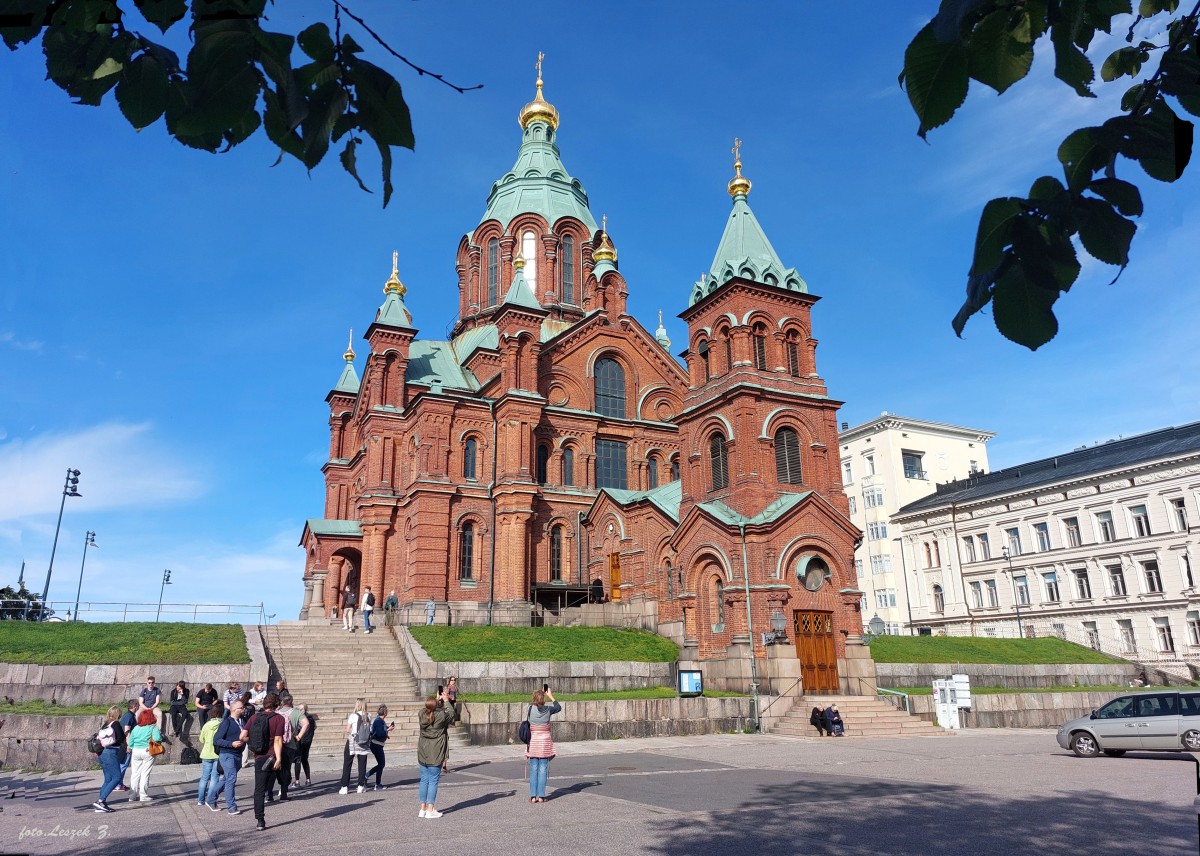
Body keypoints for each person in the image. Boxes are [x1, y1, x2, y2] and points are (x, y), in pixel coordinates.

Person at [244, 692, 285, 832]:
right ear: (277, 705)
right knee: (281, 777)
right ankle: (281, 792)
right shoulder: (279, 719)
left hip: (259, 757)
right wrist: (279, 758)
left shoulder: (255, 717)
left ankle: (260, 820)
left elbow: (243, 736)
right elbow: (278, 740)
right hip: (272, 756)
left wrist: (253, 740)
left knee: (259, 789)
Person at [417, 688, 454, 818]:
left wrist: (436, 701)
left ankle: (422, 809)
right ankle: (430, 809)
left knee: (424, 780)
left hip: (423, 750)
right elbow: (451, 713)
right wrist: (445, 700)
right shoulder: (441, 716)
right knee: (433, 780)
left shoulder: (422, 714)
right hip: (435, 751)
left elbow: (426, 709)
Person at [525, 686, 562, 803]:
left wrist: (541, 694)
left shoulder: (530, 709)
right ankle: (541, 796)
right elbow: (558, 707)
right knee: (542, 769)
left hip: (534, 741)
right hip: (545, 742)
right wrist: (549, 695)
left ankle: (532, 796)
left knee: (533, 768)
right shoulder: (548, 710)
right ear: (543, 699)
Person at [212, 698, 246, 815]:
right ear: (234, 710)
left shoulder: (242, 721)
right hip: (227, 754)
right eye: (241, 708)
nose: (243, 709)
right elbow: (216, 740)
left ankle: (211, 798)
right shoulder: (226, 722)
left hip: (238, 754)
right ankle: (231, 806)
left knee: (226, 779)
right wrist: (231, 744)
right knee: (231, 779)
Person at [92, 705, 126, 813]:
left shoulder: (105, 724)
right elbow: (120, 738)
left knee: (108, 778)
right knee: (116, 777)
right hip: (111, 752)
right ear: (118, 714)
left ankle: (101, 802)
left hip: (102, 753)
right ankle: (100, 801)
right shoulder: (116, 724)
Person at [127, 709, 163, 801]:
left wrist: (132, 747)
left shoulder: (136, 728)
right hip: (147, 751)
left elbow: (130, 742)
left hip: (135, 751)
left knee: (135, 774)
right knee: (145, 773)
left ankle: (132, 795)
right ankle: (143, 795)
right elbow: (157, 738)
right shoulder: (153, 727)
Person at [339, 698, 371, 794]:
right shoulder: (369, 715)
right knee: (362, 764)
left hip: (353, 741)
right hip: (364, 742)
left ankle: (345, 786)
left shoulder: (353, 716)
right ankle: (360, 786)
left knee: (347, 763)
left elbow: (348, 729)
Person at [197, 700, 224, 809]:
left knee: (204, 778)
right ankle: (210, 799)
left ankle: (200, 800)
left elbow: (201, 739)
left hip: (206, 753)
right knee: (215, 778)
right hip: (217, 754)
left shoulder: (207, 725)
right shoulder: (222, 724)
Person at [365, 703, 395, 790]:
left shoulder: (380, 721)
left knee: (381, 764)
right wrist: (388, 729)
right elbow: (380, 733)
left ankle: (369, 778)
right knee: (381, 764)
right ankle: (375, 782)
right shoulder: (378, 721)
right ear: (385, 713)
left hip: (377, 744)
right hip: (376, 745)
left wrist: (387, 729)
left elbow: (381, 730)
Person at [115, 698, 137, 792]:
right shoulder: (129, 716)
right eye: (138, 705)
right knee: (123, 764)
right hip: (125, 744)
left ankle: (119, 783)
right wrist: (129, 745)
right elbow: (127, 731)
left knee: (123, 764)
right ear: (134, 706)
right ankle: (118, 784)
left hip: (125, 743)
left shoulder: (129, 715)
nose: (139, 706)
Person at [294, 704, 316, 788]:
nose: (300, 710)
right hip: (307, 740)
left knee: (298, 759)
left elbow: (297, 729)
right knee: (304, 759)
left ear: (305, 709)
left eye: (302, 709)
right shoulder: (311, 719)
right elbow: (314, 728)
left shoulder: (302, 719)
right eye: (299, 709)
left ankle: (297, 781)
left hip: (301, 740)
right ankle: (308, 779)